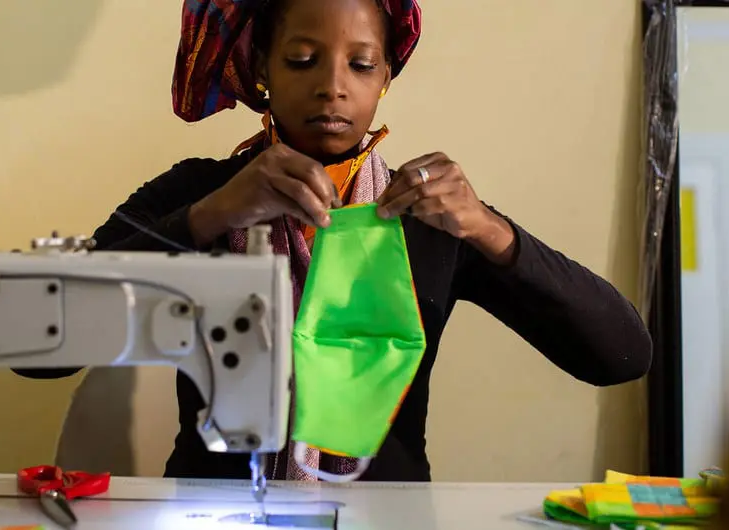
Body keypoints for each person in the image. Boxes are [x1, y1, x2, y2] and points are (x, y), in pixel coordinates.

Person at [87, 0, 652, 482]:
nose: (333, 87)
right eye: (302, 60)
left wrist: (487, 227)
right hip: (213, 516)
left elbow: (621, 355)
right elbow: (49, 352)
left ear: (385, 76)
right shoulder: (197, 194)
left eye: (361, 64)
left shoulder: (425, 215)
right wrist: (209, 215)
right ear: (262, 65)